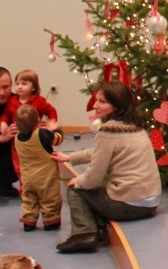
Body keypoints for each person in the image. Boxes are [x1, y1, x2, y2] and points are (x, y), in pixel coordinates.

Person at [50, 81, 161, 253]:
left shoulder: (108, 131)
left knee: (75, 189)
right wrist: (70, 157)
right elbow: (101, 152)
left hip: (128, 205)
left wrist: (78, 181)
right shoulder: (135, 126)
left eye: (102, 101)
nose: (95, 105)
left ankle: (83, 234)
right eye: (96, 100)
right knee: (98, 190)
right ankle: (99, 229)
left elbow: (93, 179)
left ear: (116, 105)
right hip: (151, 203)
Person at [0, 70, 58, 193]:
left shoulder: (36, 100)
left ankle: (39, 190)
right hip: (16, 144)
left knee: (38, 166)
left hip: (33, 142)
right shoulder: (13, 101)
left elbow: (51, 111)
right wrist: (3, 127)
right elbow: (6, 115)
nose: (2, 92)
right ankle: (25, 192)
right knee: (20, 168)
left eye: (5, 87)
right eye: (18, 84)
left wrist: (51, 124)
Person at [15, 104, 63, 231]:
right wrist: (55, 129)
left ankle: (29, 221)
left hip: (27, 177)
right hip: (45, 177)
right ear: (38, 120)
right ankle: (51, 221)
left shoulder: (17, 137)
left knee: (29, 199)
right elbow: (58, 140)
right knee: (50, 198)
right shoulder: (42, 134)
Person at [0, 67, 19, 197]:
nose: (1, 92)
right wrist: (2, 138)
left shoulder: (19, 103)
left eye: (5, 87)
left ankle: (5, 184)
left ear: (12, 84)